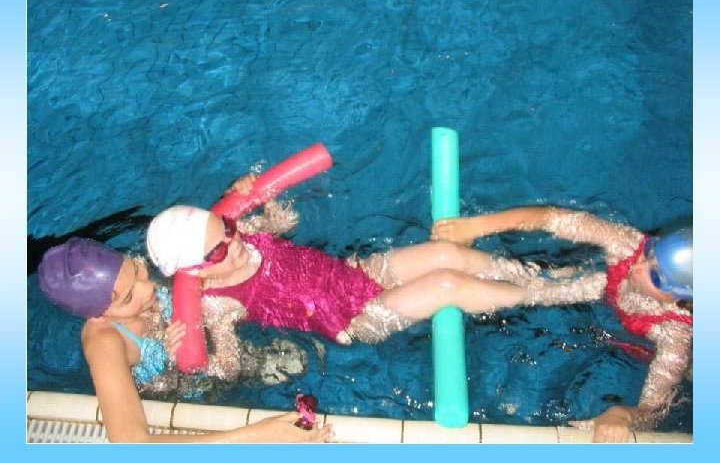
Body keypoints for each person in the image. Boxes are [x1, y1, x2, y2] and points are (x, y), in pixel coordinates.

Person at [146, 174, 529, 348]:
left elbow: (285, 222)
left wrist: (260, 197)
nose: (233, 242)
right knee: (446, 283)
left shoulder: (238, 234)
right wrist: (179, 348)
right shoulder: (215, 304)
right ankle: (550, 293)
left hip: (355, 274)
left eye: (228, 228)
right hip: (357, 317)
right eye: (218, 250)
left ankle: (539, 274)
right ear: (193, 271)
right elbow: (228, 368)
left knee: (446, 254)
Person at [431, 205, 692, 443]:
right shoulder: (629, 246)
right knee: (552, 281)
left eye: (655, 277)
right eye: (651, 252)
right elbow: (550, 217)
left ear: (681, 298)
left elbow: (653, 409)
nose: (638, 267)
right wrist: (476, 226)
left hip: (633, 352)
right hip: (602, 294)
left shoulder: (675, 334)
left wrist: (621, 415)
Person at [37, 237, 334, 443]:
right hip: (186, 390)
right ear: (98, 315)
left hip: (215, 346)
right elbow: (130, 443)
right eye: (128, 297)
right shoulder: (104, 341)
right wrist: (254, 436)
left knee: (302, 358)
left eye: (136, 269)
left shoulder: (140, 282)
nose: (148, 287)